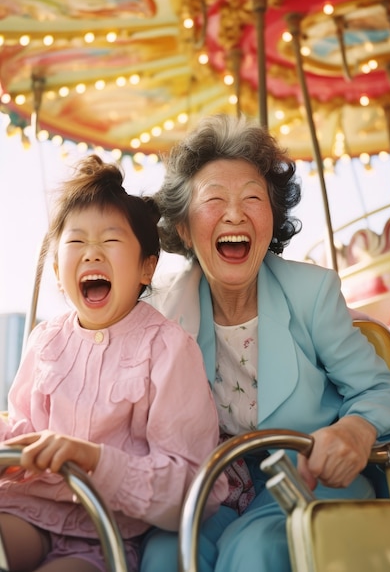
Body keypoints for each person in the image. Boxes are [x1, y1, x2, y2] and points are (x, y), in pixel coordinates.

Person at [139, 114, 390, 572]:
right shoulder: (161, 313)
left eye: (253, 198)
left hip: (307, 477)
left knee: (254, 551)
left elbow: (385, 395)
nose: (235, 213)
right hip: (214, 486)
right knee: (165, 554)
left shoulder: (313, 293)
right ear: (185, 228)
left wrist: (353, 430)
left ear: (272, 219)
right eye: (214, 200)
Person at [0, 154, 227, 572]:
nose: (91, 254)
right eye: (76, 242)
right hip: (28, 509)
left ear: (146, 267)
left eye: (110, 241)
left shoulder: (168, 349)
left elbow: (192, 482)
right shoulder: (46, 339)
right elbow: (23, 430)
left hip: (107, 531)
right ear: (55, 265)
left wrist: (95, 460)